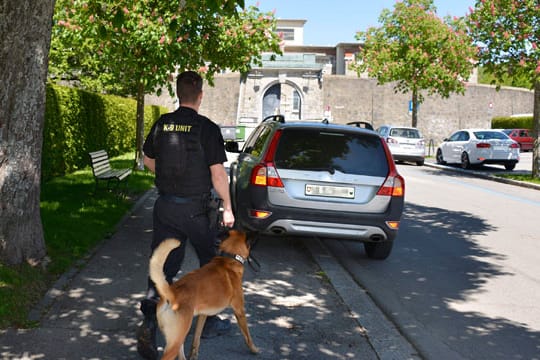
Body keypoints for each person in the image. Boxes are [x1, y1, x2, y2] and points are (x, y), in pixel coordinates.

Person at [136, 70, 235, 360]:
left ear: (178, 95)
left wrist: (166, 176)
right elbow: (218, 174)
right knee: (212, 264)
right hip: (197, 210)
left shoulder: (162, 123)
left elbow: (147, 160)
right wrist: (228, 207)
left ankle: (150, 320)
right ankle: (211, 320)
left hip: (166, 207)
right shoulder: (207, 128)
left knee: (163, 266)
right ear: (200, 96)